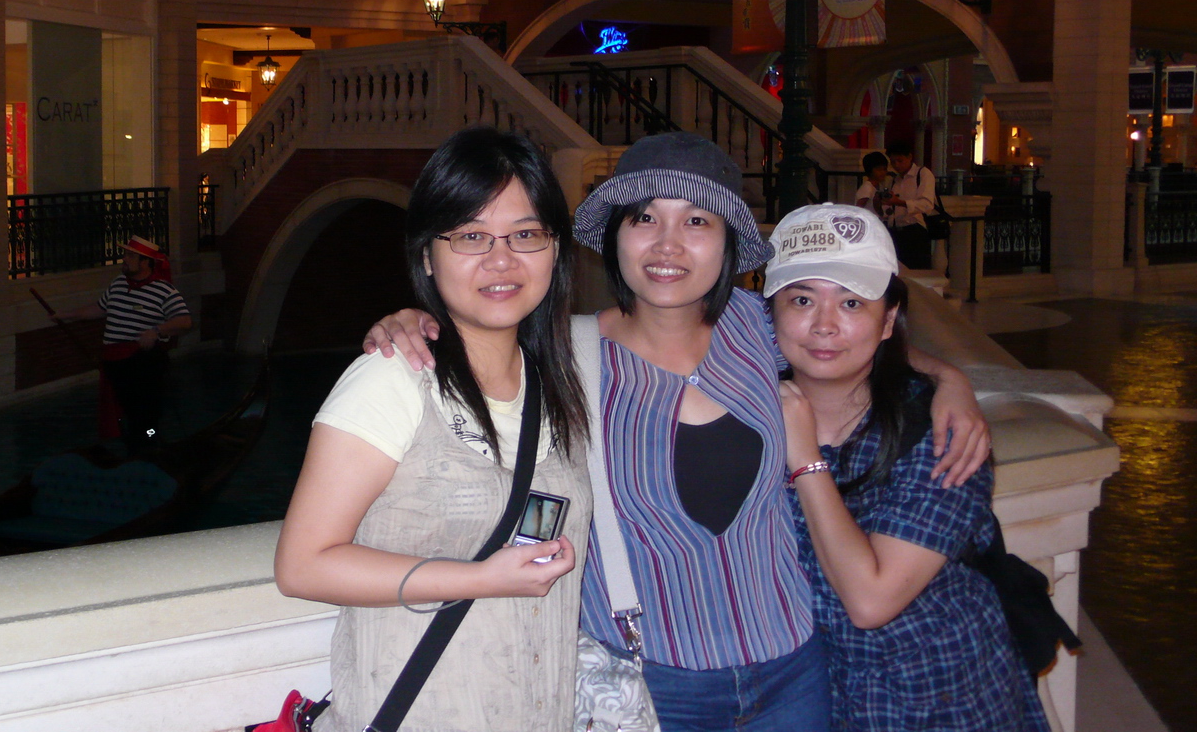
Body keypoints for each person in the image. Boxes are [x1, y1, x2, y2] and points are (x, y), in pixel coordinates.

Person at [364, 132, 991, 732]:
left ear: (726, 245)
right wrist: (413, 321)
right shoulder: (565, 360)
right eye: (644, 219)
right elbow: (474, 338)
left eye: (696, 222)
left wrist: (948, 380)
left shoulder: (757, 330)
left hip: (794, 673)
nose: (667, 245)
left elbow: (846, 341)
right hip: (653, 688)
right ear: (615, 237)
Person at [274, 127, 592, 732]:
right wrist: (479, 580)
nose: (501, 260)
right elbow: (303, 564)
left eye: (526, 234)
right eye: (471, 236)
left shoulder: (563, 379)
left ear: (556, 248)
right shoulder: (392, 379)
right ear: (427, 254)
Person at [766, 204, 1048, 731]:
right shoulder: (744, 402)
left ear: (888, 319)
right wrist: (949, 373)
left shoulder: (941, 435)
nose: (824, 324)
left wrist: (805, 458)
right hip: (807, 694)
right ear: (770, 314)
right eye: (801, 299)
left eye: (852, 302)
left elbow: (872, 601)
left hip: (938, 694)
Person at [52, 235, 190, 453]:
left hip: (143, 361)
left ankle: (148, 440)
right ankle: (140, 445)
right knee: (127, 410)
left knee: (145, 412)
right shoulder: (118, 284)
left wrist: (156, 331)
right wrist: (65, 315)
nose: (124, 259)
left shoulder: (164, 290)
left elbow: (184, 321)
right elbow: (98, 308)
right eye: (125, 254)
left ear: (145, 262)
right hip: (116, 363)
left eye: (130, 256)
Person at [883, 140, 936, 269]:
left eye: (900, 161)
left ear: (909, 157)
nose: (896, 165)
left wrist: (900, 203)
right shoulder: (894, 179)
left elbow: (927, 204)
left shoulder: (922, 174)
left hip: (914, 230)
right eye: (893, 161)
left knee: (916, 272)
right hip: (895, 230)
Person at [853, 150, 891, 221]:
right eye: (879, 170)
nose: (883, 172)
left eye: (884, 169)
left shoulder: (879, 186)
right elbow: (858, 208)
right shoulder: (867, 188)